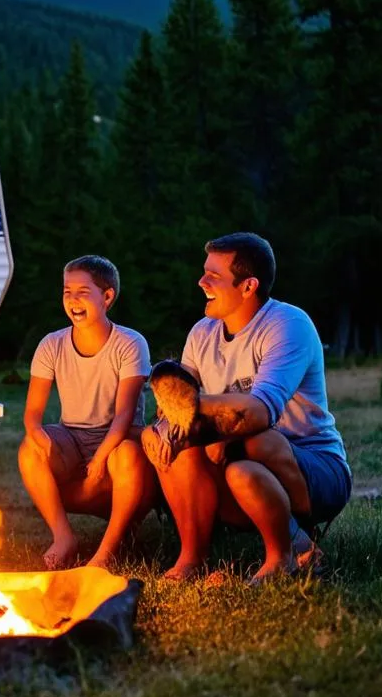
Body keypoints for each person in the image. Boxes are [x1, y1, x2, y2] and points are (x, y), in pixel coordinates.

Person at [141, 233, 351, 583]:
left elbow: (258, 413)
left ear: (248, 286)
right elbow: (174, 408)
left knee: (255, 441)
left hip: (312, 468)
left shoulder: (288, 325)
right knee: (180, 444)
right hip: (239, 469)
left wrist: (191, 408)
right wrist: (162, 429)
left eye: (214, 276)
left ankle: (290, 544)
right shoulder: (202, 333)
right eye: (203, 272)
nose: (201, 281)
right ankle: (191, 559)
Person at [18, 255, 156, 570]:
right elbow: (32, 414)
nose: (73, 300)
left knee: (128, 456)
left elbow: (124, 415)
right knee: (30, 449)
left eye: (83, 292)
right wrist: (38, 435)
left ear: (107, 297)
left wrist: (101, 457)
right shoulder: (51, 344)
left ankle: (106, 552)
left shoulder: (130, 343)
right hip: (72, 437)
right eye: (67, 291)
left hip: (119, 438)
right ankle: (64, 537)